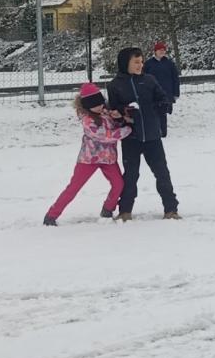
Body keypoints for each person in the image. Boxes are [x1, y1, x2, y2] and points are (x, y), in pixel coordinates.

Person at [44, 82, 130, 225]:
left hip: (108, 158)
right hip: (88, 159)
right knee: (74, 187)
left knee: (118, 184)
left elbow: (114, 124)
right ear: (86, 106)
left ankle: (108, 209)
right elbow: (106, 135)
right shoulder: (87, 120)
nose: (99, 106)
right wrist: (127, 130)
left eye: (100, 103)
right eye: (95, 105)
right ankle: (51, 215)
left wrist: (120, 118)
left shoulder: (105, 112)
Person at [107, 46, 179, 219]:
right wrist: (121, 113)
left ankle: (171, 209)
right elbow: (113, 110)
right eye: (136, 62)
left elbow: (164, 101)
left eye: (141, 62)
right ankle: (125, 210)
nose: (140, 65)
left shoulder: (149, 80)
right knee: (131, 174)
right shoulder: (115, 85)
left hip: (152, 135)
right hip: (131, 137)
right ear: (126, 63)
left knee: (162, 172)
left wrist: (152, 108)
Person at [146, 40, 181, 116]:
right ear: (155, 51)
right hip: (153, 93)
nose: (162, 52)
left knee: (165, 113)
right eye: (160, 50)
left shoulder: (170, 64)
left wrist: (176, 93)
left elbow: (175, 78)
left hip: (167, 93)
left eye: (163, 50)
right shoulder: (148, 64)